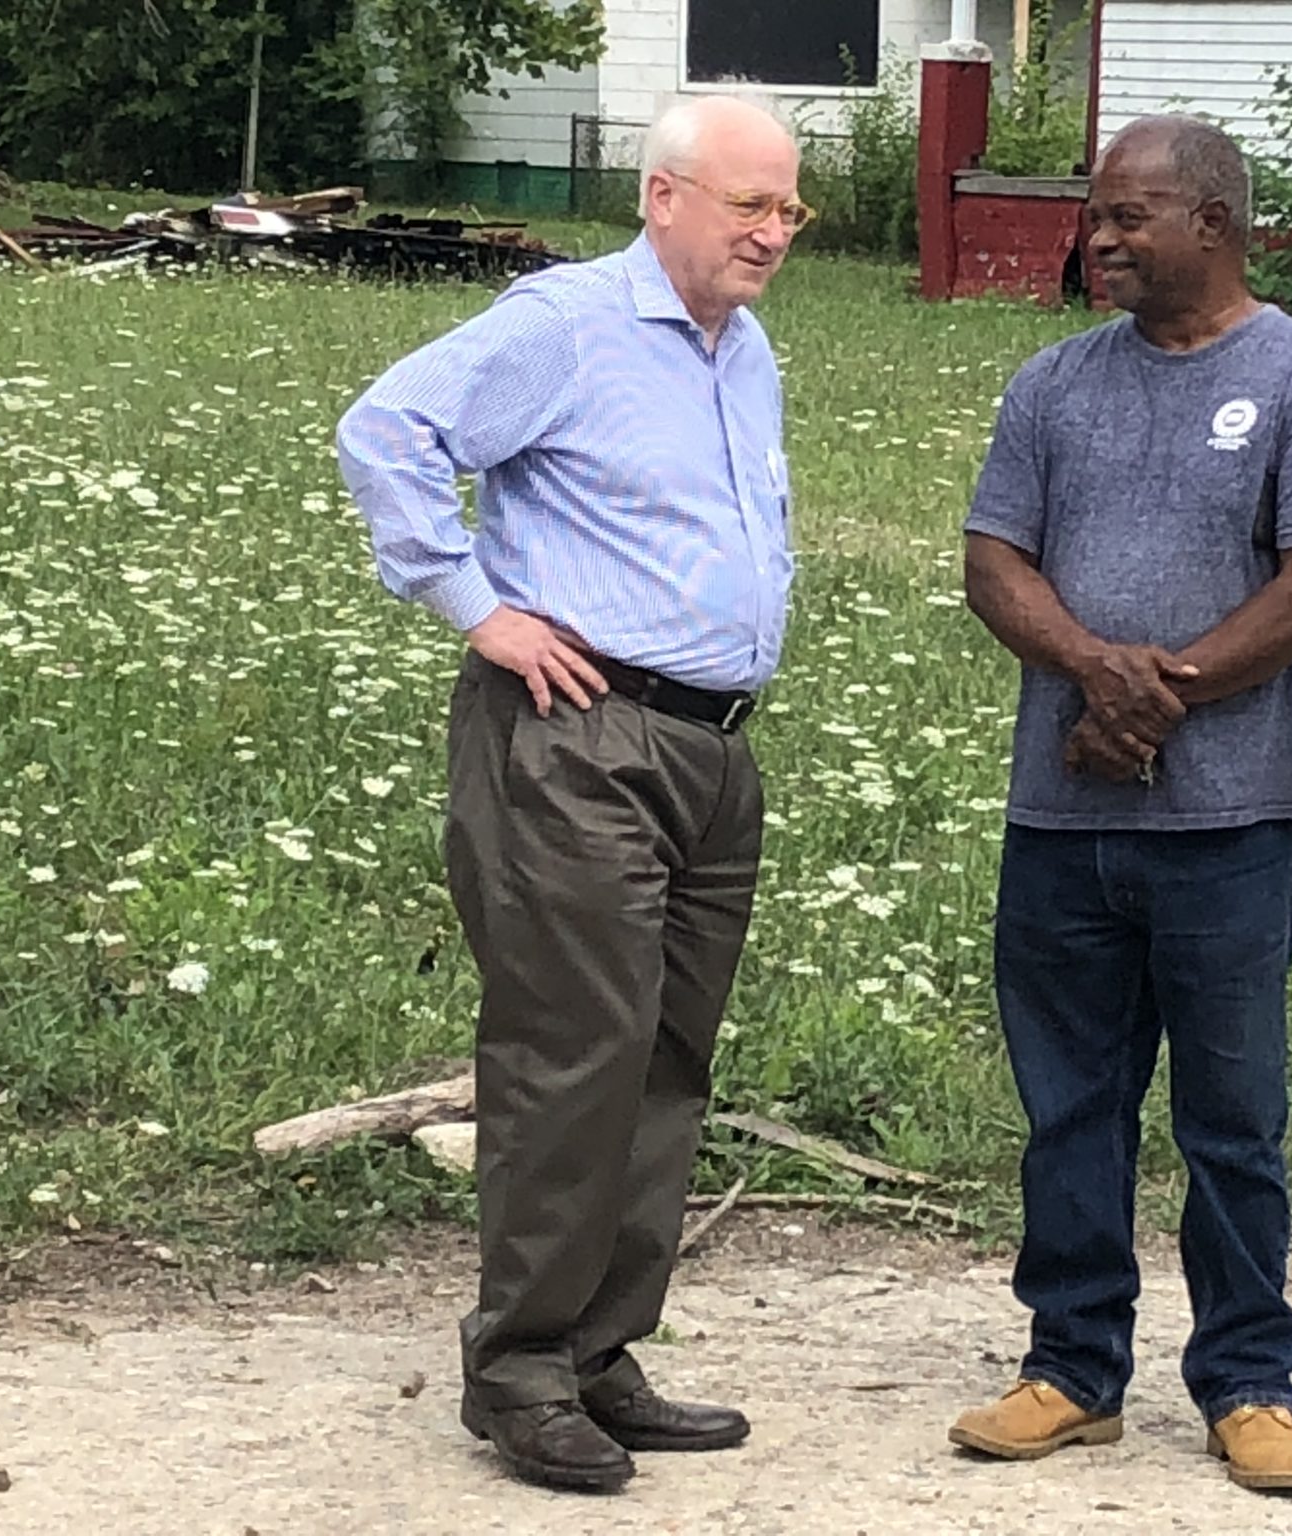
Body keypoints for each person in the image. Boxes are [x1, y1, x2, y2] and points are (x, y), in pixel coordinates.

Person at [334, 95, 809, 1495]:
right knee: (574, 1051)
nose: (772, 234)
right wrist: (478, 606)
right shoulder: (567, 326)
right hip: (582, 736)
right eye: (748, 206)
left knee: (666, 1056)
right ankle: (523, 1369)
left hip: (712, 749)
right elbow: (389, 429)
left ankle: (602, 1352)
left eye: (789, 211)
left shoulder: (745, 346)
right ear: (663, 196)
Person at [947, 113, 1292, 1496]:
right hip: (1063, 820)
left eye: (1132, 215)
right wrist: (1091, 670)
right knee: (1069, 1104)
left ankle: (1249, 1380)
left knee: (1231, 1115)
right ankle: (1073, 1368)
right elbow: (991, 562)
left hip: (1233, 825)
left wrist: (1161, 699)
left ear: (1215, 220)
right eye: (1099, 214)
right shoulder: (1055, 384)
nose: (1103, 237)